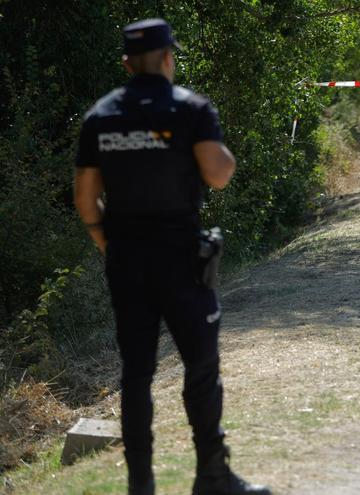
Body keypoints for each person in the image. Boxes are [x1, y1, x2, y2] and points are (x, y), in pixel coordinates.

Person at [73, 18, 271, 495]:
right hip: (183, 261)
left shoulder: (100, 117)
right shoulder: (190, 109)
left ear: (126, 63)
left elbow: (85, 199)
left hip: (126, 261)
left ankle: (141, 484)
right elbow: (219, 174)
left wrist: (108, 243)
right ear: (167, 58)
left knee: (136, 374)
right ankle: (212, 477)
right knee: (201, 367)